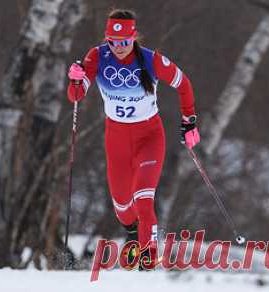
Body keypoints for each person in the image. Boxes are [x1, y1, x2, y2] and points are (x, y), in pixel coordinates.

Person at [66, 9, 200, 267]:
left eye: (124, 42)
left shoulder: (151, 60)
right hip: (116, 139)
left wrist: (189, 121)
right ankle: (132, 233)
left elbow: (184, 84)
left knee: (144, 198)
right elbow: (76, 96)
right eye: (113, 42)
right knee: (123, 208)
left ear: (133, 38)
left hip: (149, 136)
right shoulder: (97, 56)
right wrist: (75, 79)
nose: (118, 47)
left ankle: (147, 260)